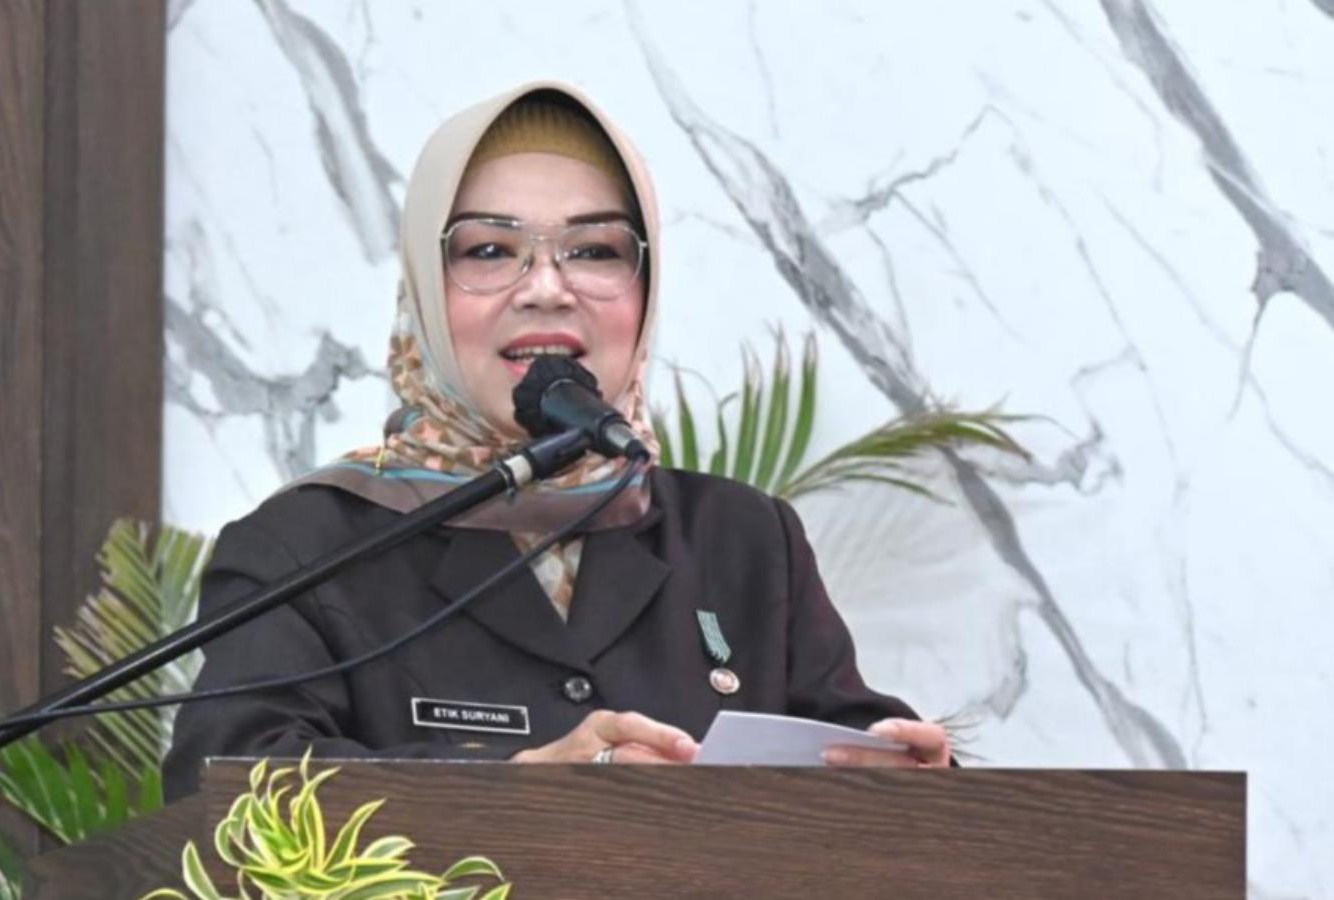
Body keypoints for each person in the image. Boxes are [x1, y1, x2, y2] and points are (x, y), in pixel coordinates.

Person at [163, 81, 950, 801]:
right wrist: (518, 785)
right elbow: (228, 789)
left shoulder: (742, 539)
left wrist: (911, 787)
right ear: (424, 289)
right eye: (489, 250)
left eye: (593, 250)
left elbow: (855, 765)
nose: (546, 288)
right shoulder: (305, 547)